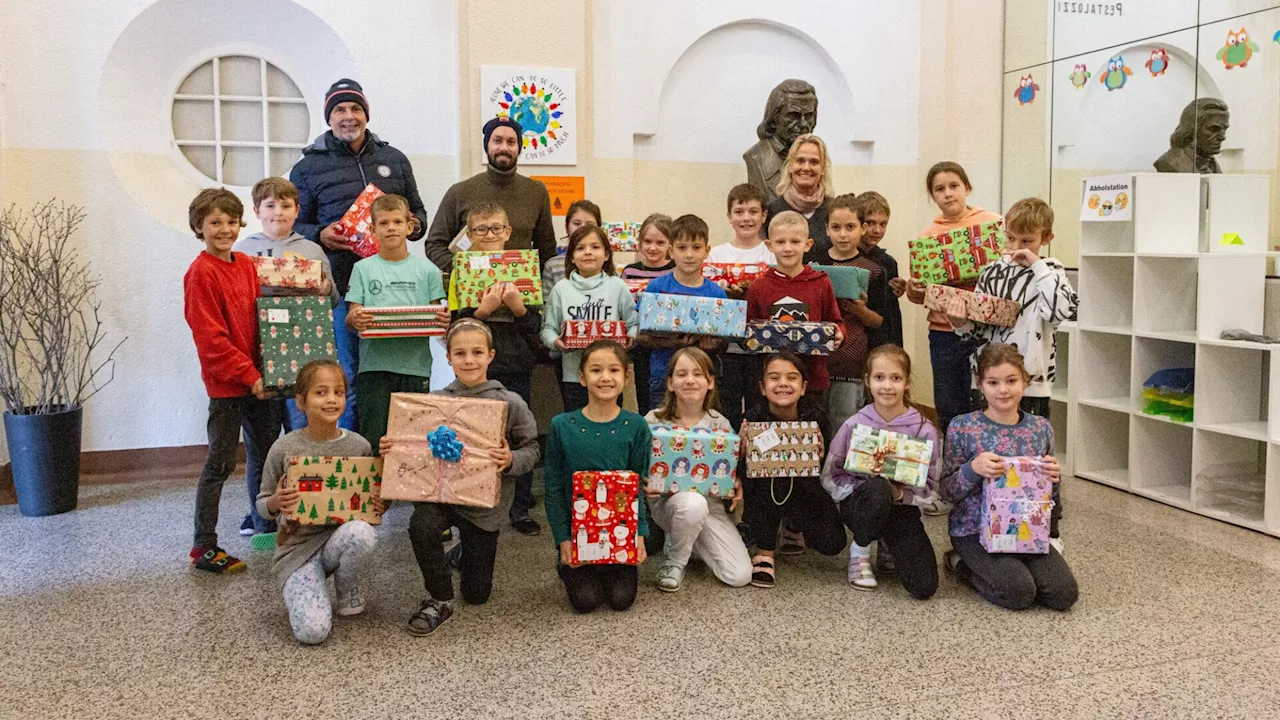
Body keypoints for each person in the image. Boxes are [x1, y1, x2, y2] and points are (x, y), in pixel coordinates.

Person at [290, 78, 429, 430]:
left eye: (355, 109)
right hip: (338, 287)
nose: (348, 117)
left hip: (395, 290)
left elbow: (420, 215)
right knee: (345, 376)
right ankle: (353, 457)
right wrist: (320, 234)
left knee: (394, 374)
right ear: (329, 117)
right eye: (340, 110)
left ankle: (395, 454)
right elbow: (295, 226)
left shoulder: (394, 159)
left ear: (366, 114)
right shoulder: (307, 167)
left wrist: (411, 225)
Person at [390, 320, 540, 635]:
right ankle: (439, 598)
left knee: (477, 594)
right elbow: (415, 447)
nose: (469, 360)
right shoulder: (435, 401)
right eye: (460, 353)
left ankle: (460, 553)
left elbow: (533, 449)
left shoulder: (509, 402)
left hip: (485, 506)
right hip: (441, 495)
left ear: (490, 355)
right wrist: (395, 446)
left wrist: (511, 459)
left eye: (476, 352)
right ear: (449, 357)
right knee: (422, 525)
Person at [950, 197, 1076, 549]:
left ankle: (1047, 528)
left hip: (1032, 381)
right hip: (990, 377)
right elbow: (976, 329)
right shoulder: (992, 272)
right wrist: (960, 321)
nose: (1018, 248)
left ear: (1045, 237)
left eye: (1028, 241)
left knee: (1036, 457)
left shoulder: (1052, 272)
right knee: (989, 448)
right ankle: (984, 520)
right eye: (1012, 240)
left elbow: (1063, 310)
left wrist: (1037, 266)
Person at [940, 344, 1078, 611]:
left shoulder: (1041, 428)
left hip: (1028, 531)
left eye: (1011, 381)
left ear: (1025, 382)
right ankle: (961, 564)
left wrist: (1053, 479)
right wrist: (973, 469)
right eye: (993, 382)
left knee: (1064, 595)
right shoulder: (963, 426)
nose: (1003, 390)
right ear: (980, 385)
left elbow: (1049, 494)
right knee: (1018, 593)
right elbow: (945, 492)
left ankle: (1013, 568)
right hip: (974, 531)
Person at [257, 359, 381, 644]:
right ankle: (307, 586)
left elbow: (370, 508)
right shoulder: (284, 447)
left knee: (361, 533)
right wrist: (276, 501)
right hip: (297, 550)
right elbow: (262, 505)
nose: (331, 399)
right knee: (312, 633)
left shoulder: (359, 446)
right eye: (321, 392)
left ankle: (346, 584)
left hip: (337, 540)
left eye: (338, 392)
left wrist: (378, 502)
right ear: (301, 401)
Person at [232, 177, 340, 504]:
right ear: (256, 210)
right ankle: (261, 516)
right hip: (258, 359)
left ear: (297, 210)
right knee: (261, 445)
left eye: (286, 205)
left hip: (303, 361)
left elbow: (332, 296)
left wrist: (325, 289)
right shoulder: (242, 250)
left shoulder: (312, 249)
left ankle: (311, 509)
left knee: (307, 437)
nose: (278, 212)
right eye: (270, 205)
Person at [182, 188, 273, 574]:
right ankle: (203, 545)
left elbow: (263, 320)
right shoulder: (200, 272)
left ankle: (265, 526)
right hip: (228, 387)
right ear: (199, 226)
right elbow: (211, 340)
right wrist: (249, 375)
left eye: (231, 221)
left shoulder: (247, 266)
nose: (224, 229)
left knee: (267, 456)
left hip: (259, 383)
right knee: (219, 464)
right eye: (215, 222)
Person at [905, 162, 1003, 504]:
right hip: (944, 331)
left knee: (987, 402)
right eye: (939, 189)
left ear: (967, 187)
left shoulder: (991, 225)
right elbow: (918, 295)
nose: (947, 193)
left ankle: (990, 476)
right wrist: (915, 288)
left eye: (953, 186)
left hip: (986, 332)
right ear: (932, 195)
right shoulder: (927, 237)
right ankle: (953, 482)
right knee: (949, 404)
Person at [451, 203, 544, 537]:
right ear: (470, 235)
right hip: (475, 371)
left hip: (516, 364)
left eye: (495, 229)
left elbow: (537, 329)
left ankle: (519, 508)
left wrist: (518, 308)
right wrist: (482, 311)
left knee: (520, 435)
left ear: (507, 232)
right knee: (471, 433)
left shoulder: (525, 269)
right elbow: (454, 327)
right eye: (481, 229)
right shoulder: (461, 271)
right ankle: (469, 499)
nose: (489, 235)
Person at [544, 341, 652, 613]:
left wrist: (639, 534)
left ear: (626, 377)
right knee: (585, 602)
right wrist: (563, 540)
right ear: (582, 378)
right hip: (576, 533)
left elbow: (637, 485)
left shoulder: (636, 426)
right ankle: (568, 565)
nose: (605, 377)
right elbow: (554, 488)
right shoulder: (561, 425)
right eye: (595, 370)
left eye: (614, 370)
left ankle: (609, 568)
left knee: (621, 600)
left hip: (620, 534)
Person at [823, 345, 939, 597]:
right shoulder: (854, 425)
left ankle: (889, 544)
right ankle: (860, 550)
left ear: (907, 382)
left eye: (895, 378)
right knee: (876, 489)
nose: (887, 386)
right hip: (861, 507)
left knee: (924, 587)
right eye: (879, 377)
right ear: (867, 381)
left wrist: (899, 495)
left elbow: (932, 487)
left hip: (901, 510)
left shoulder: (924, 430)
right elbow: (831, 476)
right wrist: (865, 487)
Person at [643, 347, 752, 591]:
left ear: (710, 382)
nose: (690, 380)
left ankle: (687, 539)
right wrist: (643, 481)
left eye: (698, 374)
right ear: (670, 383)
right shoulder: (652, 420)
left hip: (710, 507)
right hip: (668, 504)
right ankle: (675, 560)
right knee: (692, 503)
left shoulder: (720, 424)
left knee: (739, 576)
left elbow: (727, 473)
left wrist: (735, 482)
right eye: (681, 374)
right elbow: (638, 465)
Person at [343, 195, 448, 448]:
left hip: (416, 368)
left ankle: (408, 489)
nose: (391, 227)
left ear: (409, 227)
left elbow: (438, 320)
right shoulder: (362, 269)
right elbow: (351, 317)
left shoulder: (428, 271)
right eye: (384, 222)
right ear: (373, 229)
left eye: (398, 222)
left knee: (412, 440)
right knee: (374, 438)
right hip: (373, 368)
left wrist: (444, 319)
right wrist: (355, 318)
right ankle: (375, 488)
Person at [742, 352, 846, 588]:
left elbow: (829, 471)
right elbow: (744, 476)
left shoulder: (817, 418)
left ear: (803, 387)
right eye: (774, 378)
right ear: (762, 387)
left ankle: (792, 524)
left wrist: (819, 456)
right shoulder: (752, 419)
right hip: (763, 494)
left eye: (792, 378)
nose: (783, 384)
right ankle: (765, 550)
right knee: (768, 481)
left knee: (833, 543)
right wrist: (742, 453)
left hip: (805, 489)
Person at [425, 117, 557, 275]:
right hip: (472, 292)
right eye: (497, 141)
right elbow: (434, 245)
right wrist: (465, 270)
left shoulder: (536, 192)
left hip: (520, 291)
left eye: (511, 142)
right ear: (487, 146)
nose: (504, 148)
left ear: (519, 148)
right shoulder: (459, 192)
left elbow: (546, 249)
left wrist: (535, 283)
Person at [746, 211, 844, 409]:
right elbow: (748, 331)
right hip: (771, 383)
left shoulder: (821, 282)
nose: (788, 248)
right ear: (769, 245)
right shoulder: (758, 287)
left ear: (807, 244)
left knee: (814, 435)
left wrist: (840, 333)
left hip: (813, 380)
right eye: (780, 242)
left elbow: (835, 321)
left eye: (795, 242)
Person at [540, 226, 638, 412]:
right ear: (571, 257)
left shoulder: (617, 287)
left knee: (610, 423)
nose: (588, 253)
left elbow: (633, 322)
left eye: (595, 247)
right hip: (574, 376)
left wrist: (630, 338)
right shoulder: (561, 289)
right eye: (580, 248)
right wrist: (556, 342)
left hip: (611, 375)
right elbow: (547, 329)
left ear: (607, 254)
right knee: (577, 424)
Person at [637, 215, 726, 410]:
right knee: (660, 429)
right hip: (663, 375)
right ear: (671, 251)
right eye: (682, 247)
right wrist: (673, 343)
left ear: (706, 251)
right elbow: (641, 337)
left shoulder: (716, 294)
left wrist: (711, 346)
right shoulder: (656, 288)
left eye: (696, 247)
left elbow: (724, 342)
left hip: (703, 379)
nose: (689, 255)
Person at [816, 193, 887, 430]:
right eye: (836, 227)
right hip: (816, 359)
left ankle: (840, 469)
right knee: (815, 422)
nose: (843, 234)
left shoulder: (874, 271)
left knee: (844, 424)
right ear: (826, 229)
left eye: (850, 227)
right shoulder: (812, 265)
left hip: (852, 360)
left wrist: (860, 310)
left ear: (862, 229)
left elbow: (879, 321)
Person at [712, 183, 774, 430]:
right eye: (739, 211)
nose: (746, 218)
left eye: (752, 211)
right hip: (726, 349)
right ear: (729, 216)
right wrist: (724, 293)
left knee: (759, 410)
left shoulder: (772, 254)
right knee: (725, 409)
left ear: (764, 216)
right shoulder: (716, 255)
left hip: (762, 349)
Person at [621, 213, 676, 416]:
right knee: (645, 396)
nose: (653, 248)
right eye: (648, 241)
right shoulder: (629, 271)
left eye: (660, 242)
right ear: (640, 242)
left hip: (670, 344)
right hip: (642, 343)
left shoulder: (675, 271)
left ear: (670, 245)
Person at [764, 135, 836, 264]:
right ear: (791, 166)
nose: (806, 168)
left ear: (823, 169)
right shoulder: (772, 210)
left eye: (814, 162)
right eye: (800, 161)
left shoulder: (833, 210)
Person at [743, 79, 818, 203]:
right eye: (794, 116)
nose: (803, 124)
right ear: (774, 118)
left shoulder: (818, 158)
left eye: (809, 115)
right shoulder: (757, 158)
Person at [855, 191, 905, 350]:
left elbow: (892, 314)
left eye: (883, 224)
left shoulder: (889, 263)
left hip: (882, 340)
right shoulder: (844, 258)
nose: (877, 230)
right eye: (870, 223)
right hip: (855, 339)